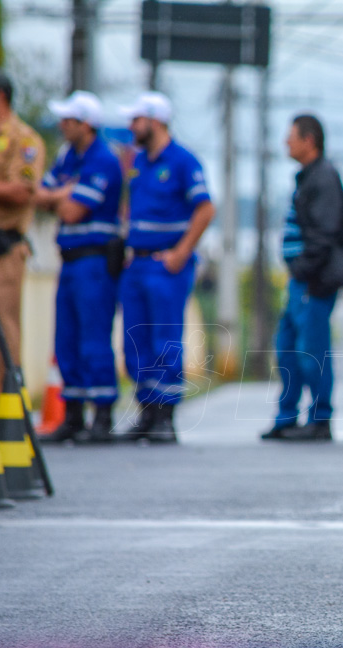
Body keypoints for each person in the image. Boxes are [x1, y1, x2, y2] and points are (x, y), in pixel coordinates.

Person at [118, 92, 215, 443]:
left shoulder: (183, 161)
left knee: (164, 340)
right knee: (135, 341)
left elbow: (205, 209)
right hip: (138, 265)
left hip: (166, 265)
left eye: (136, 120)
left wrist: (180, 252)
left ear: (155, 121)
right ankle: (145, 411)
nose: (131, 126)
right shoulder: (139, 162)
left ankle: (165, 417)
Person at [261, 114, 343, 441]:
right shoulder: (307, 177)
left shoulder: (323, 177)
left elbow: (325, 233)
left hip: (313, 281)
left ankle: (320, 419)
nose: (285, 142)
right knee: (287, 347)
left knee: (312, 350)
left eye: (290, 136)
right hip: (299, 281)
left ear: (309, 140)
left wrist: (303, 269)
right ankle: (287, 415)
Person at [35, 91, 124, 443]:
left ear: (86, 124)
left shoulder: (103, 160)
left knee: (93, 339)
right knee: (67, 338)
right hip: (69, 262)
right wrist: (63, 192)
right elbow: (37, 195)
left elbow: (72, 211)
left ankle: (101, 416)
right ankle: (72, 416)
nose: (62, 125)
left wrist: (57, 196)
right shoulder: (68, 156)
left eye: (69, 120)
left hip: (95, 262)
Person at [0, 69, 44, 402]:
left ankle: (7, 413)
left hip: (1, 252)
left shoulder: (23, 139)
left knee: (1, 333)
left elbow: (23, 192)